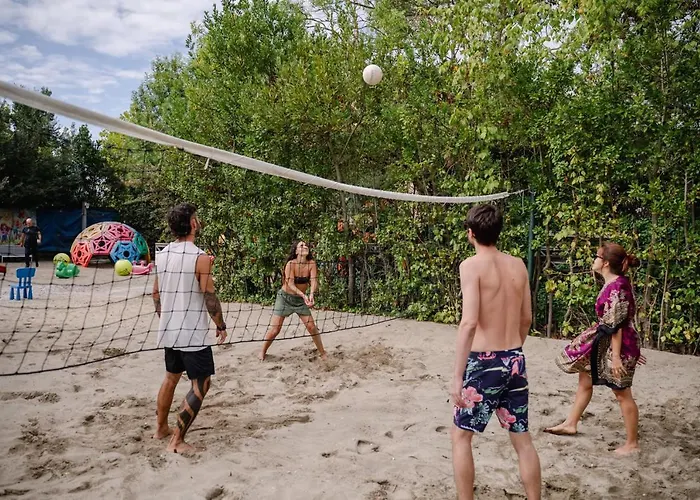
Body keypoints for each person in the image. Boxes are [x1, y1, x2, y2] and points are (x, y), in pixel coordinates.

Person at [451, 204, 541, 500]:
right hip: (514, 357)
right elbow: (526, 319)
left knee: (461, 436)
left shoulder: (470, 266)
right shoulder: (518, 265)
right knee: (522, 440)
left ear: (470, 233)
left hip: (483, 362)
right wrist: (511, 354)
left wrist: (457, 376)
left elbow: (469, 322)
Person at [544, 242, 643, 455]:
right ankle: (571, 423)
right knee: (585, 380)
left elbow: (616, 326)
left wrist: (617, 357)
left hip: (616, 344)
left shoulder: (617, 287)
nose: (594, 260)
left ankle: (632, 444)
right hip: (608, 340)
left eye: (597, 256)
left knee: (622, 392)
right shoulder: (616, 283)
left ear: (605, 263)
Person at [152, 203, 227, 453]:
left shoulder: (163, 254)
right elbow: (209, 296)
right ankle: (177, 441)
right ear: (193, 224)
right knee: (202, 384)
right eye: (197, 218)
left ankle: (161, 428)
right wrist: (220, 325)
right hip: (192, 333)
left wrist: (166, 318)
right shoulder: (200, 257)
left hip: (169, 330)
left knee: (171, 378)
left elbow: (156, 293)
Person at [259, 240, 327, 361]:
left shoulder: (311, 263)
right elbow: (290, 284)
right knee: (275, 329)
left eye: (306, 245)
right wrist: (304, 295)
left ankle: (322, 353)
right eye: (301, 245)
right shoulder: (290, 264)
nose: (305, 246)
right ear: (296, 251)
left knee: (311, 327)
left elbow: (314, 281)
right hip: (285, 298)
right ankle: (262, 351)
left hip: (300, 300)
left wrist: (311, 294)